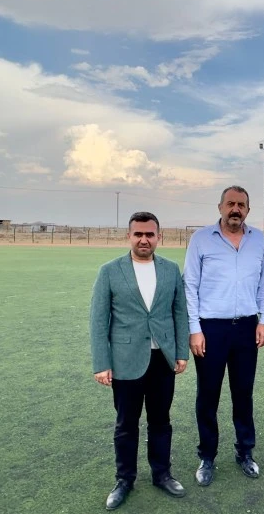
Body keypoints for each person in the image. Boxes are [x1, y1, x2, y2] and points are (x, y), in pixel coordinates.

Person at [90, 211, 189, 510]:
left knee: (161, 421)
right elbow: (98, 321)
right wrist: (101, 363)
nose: (144, 239)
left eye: (149, 234)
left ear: (159, 237)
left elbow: (179, 313)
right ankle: (124, 480)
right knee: (126, 424)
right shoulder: (110, 271)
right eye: (138, 234)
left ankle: (162, 474)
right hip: (125, 361)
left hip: (162, 360)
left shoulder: (170, 269)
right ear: (129, 236)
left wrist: (181, 352)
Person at [183, 185, 264, 487]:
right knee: (208, 395)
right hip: (211, 329)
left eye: (241, 205)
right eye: (230, 203)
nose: (236, 209)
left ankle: (245, 452)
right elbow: (190, 285)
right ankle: (207, 456)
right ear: (220, 207)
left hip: (246, 327)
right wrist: (194, 329)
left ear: (248, 210)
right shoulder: (201, 239)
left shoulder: (258, 239)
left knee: (243, 394)